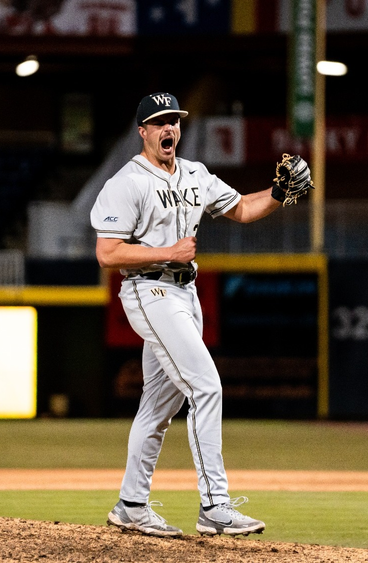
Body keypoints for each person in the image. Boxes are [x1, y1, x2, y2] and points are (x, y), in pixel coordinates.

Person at [90, 92, 310, 537]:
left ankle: (131, 504)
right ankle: (215, 506)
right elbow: (107, 253)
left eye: (173, 120)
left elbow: (244, 208)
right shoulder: (127, 182)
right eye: (159, 122)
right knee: (207, 386)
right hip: (149, 290)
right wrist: (169, 251)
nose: (168, 128)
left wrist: (280, 193)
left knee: (157, 405)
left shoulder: (194, 174)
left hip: (185, 296)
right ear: (143, 132)